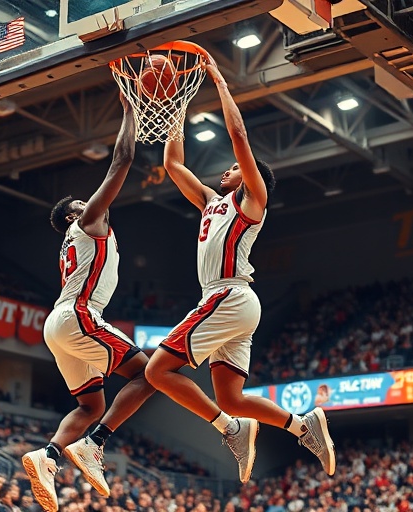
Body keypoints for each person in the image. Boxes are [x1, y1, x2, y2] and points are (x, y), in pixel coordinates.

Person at [143, 51, 336, 483]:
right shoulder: (212, 202)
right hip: (231, 303)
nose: (228, 170)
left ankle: (227, 430)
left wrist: (220, 83)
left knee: (156, 371)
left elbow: (238, 136)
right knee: (230, 397)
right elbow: (172, 165)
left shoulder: (253, 202)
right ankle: (303, 426)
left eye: (235, 169)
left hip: (228, 296)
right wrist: (175, 107)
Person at [21, 94, 155, 510]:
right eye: (81, 201)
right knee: (152, 373)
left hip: (60, 322)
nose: (90, 200)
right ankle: (95, 444)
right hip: (79, 315)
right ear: (72, 215)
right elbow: (122, 161)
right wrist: (131, 109)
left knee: (90, 403)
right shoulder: (86, 221)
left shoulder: (75, 237)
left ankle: (48, 456)